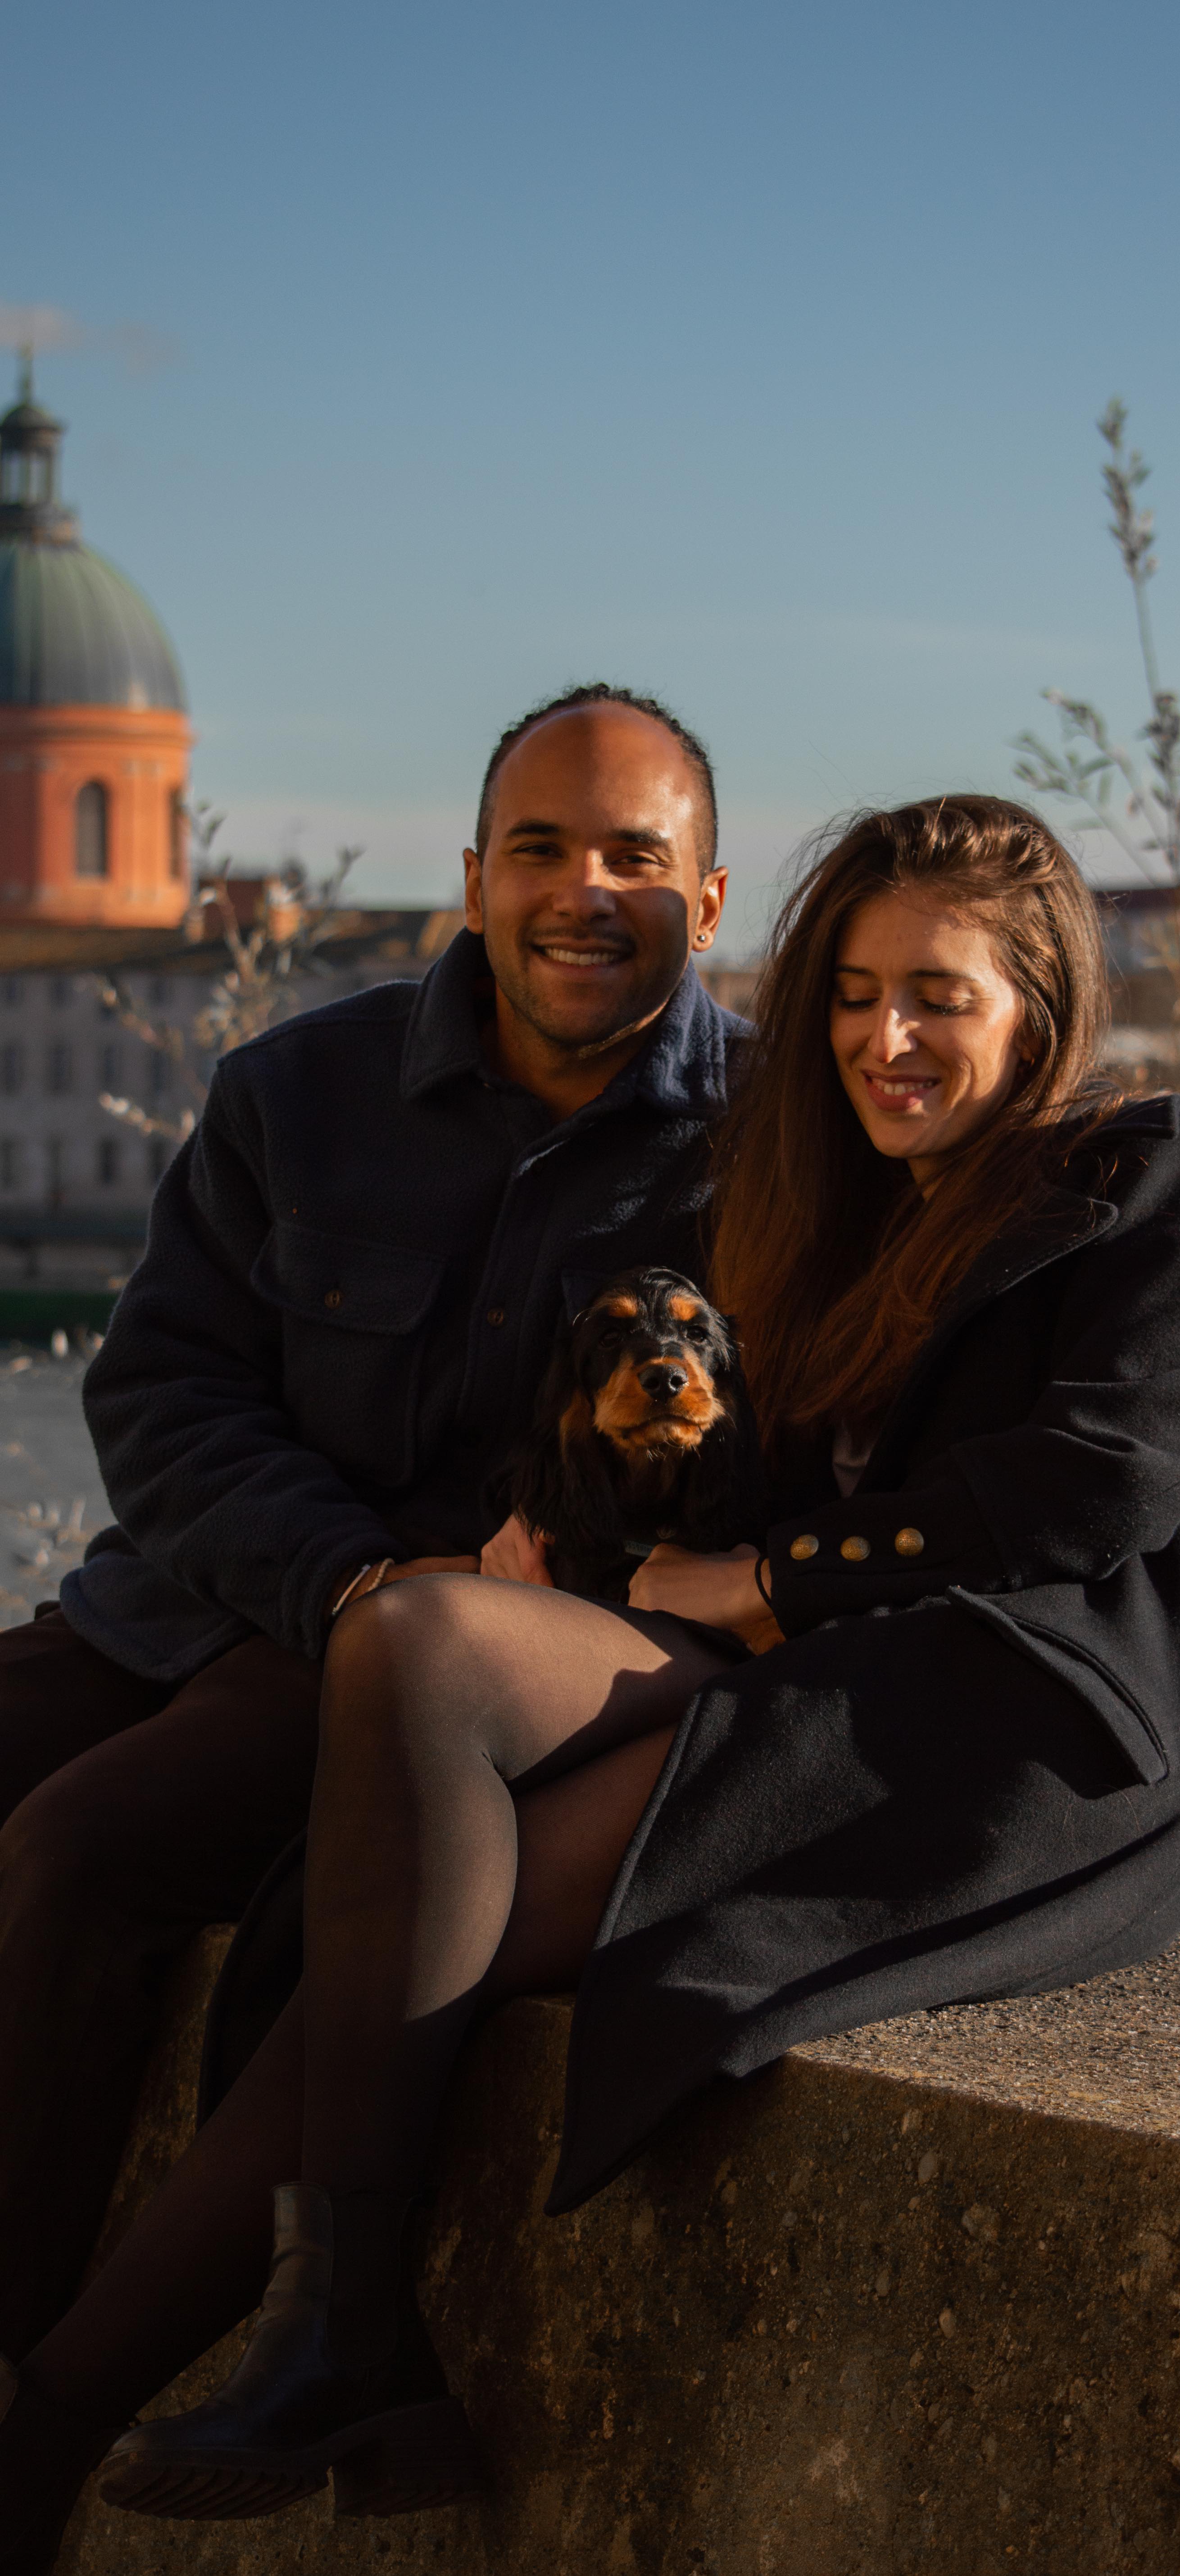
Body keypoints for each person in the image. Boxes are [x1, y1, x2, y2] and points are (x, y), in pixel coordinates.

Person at [0, 792, 1180, 2567]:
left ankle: (68, 2421)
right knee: (423, 1649)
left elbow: (1096, 1486)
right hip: (826, 1684)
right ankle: (323, 2335)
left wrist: (779, 1584)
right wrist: (571, 1539)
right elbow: (736, 1476)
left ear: (1040, 1007)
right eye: (852, 996)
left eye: (938, 996)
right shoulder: (841, 1208)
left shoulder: (1150, 1179)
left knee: (423, 1898)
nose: (884, 1040)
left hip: (1021, 1720)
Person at [0, 682, 742, 2377]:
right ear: (474, 882)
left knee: (78, 1854)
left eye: (634, 857)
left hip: (444, 1678)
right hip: (224, 1594)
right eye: (538, 850)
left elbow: (850, 1450)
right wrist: (346, 1573)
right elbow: (163, 1396)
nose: (582, 892)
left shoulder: (772, 1147)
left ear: (705, 902)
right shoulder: (298, 1090)